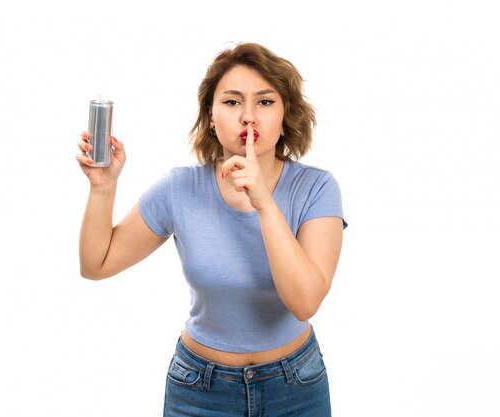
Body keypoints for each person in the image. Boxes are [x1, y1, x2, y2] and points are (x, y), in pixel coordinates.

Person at [76, 42, 347, 417]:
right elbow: (96, 265)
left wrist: (265, 203)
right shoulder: (180, 188)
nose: (249, 117)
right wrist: (102, 187)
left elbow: (304, 302)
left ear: (286, 116)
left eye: (265, 102)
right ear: (211, 115)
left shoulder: (317, 188)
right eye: (233, 102)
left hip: (295, 387)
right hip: (199, 389)